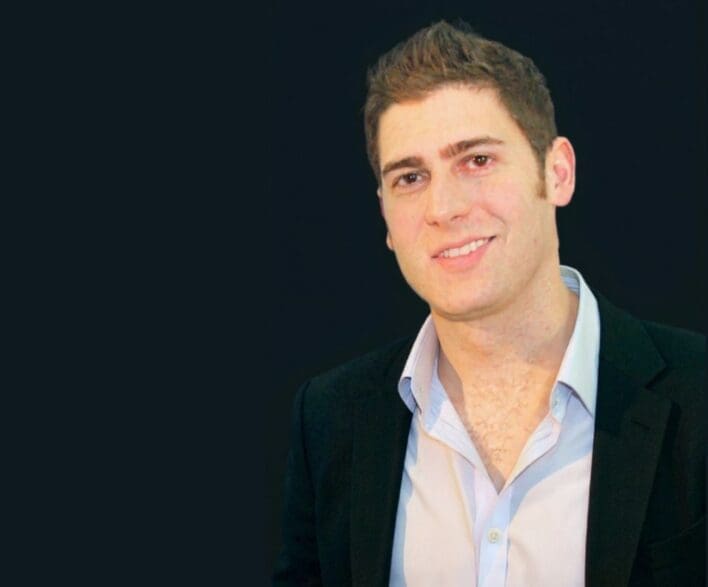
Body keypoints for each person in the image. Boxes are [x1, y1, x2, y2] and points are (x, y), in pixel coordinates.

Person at [272, 21, 705, 586]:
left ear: (558, 172)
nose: (443, 207)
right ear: (385, 215)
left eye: (476, 160)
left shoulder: (697, 397)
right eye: (410, 176)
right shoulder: (330, 421)